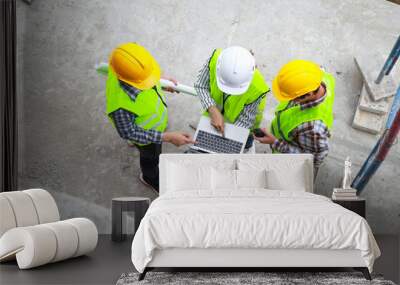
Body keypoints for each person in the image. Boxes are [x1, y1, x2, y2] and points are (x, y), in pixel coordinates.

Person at [106, 43, 194, 193]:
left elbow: (140, 76)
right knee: (150, 157)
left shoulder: (122, 64)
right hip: (147, 135)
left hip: (150, 119)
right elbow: (129, 132)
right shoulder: (121, 108)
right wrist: (167, 137)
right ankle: (150, 178)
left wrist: (158, 81)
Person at [254, 60, 335, 175]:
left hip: (289, 161)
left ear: (309, 94)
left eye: (293, 97)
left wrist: (275, 142)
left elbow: (310, 160)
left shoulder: (314, 128)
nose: (290, 100)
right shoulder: (320, 77)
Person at [194, 46, 270, 151]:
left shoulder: (257, 88)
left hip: (242, 128)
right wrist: (213, 110)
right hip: (212, 119)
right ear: (219, 68)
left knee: (241, 146)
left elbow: (245, 120)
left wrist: (227, 139)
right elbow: (200, 86)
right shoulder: (215, 60)